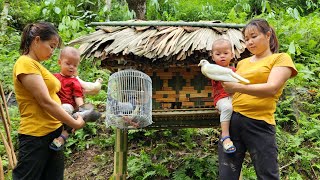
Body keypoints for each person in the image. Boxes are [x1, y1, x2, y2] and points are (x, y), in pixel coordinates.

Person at [218, 19, 298, 179]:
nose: (249, 42)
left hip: (259, 124)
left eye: (253, 36)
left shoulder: (280, 59)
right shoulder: (242, 63)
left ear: (268, 35)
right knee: (227, 175)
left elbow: (272, 88)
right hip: (234, 121)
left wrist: (237, 88)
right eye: (246, 39)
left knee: (267, 175)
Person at [12, 22, 85, 180]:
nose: (52, 52)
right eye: (51, 46)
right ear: (37, 40)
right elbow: (45, 101)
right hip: (36, 136)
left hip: (54, 132)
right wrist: (75, 124)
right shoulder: (25, 63)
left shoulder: (39, 67)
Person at [49, 46, 101, 151]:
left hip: (66, 108)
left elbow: (78, 96)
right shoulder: (53, 77)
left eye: (75, 65)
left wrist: (82, 108)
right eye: (68, 64)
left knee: (67, 110)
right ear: (59, 62)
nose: (71, 67)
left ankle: (63, 137)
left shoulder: (74, 82)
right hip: (54, 106)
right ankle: (63, 136)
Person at [210, 38, 237, 154]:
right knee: (227, 107)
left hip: (235, 98)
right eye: (218, 54)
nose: (222, 56)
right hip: (222, 99)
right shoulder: (213, 70)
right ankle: (225, 137)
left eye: (225, 53)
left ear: (232, 54)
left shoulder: (235, 70)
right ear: (212, 57)